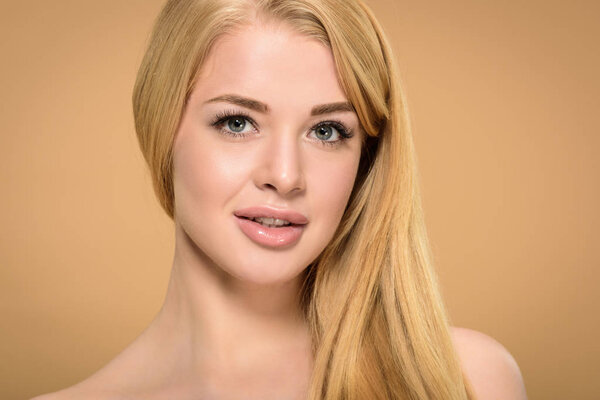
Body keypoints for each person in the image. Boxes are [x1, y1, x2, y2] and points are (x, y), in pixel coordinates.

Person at [34, 0, 527, 399]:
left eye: (327, 130)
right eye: (237, 123)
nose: (286, 176)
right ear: (160, 129)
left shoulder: (467, 380)